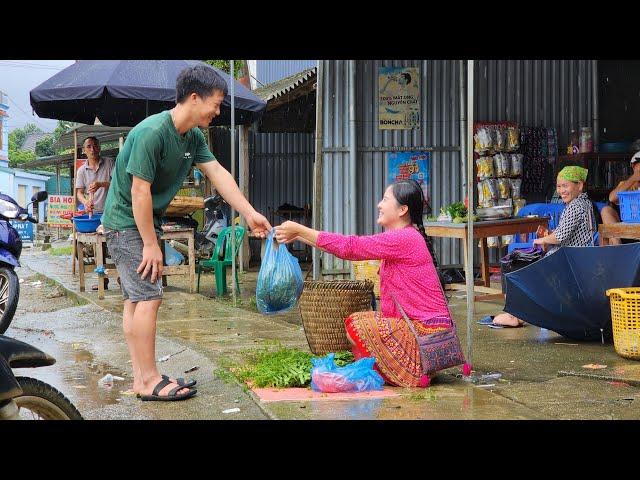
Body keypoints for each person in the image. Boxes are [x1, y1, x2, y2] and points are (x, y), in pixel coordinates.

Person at [101, 65, 271, 401]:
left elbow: (219, 175)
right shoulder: (153, 132)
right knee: (149, 296)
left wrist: (250, 213)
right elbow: (139, 192)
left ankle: (142, 377)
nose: (218, 111)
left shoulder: (192, 137)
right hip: (127, 222)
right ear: (194, 98)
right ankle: (148, 379)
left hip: (141, 220)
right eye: (217, 103)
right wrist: (151, 244)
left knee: (137, 299)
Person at [275, 179, 450, 388]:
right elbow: (347, 247)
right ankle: (388, 368)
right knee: (359, 320)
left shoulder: (404, 238)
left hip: (425, 339)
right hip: (425, 336)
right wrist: (299, 235)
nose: (379, 205)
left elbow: (351, 247)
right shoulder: (405, 237)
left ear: (402, 209)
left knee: (357, 325)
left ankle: (407, 371)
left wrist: (300, 229)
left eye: (385, 199)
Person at [493, 166, 597, 326]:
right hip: (573, 259)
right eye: (559, 186)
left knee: (510, 263)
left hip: (565, 262)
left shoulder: (576, 206)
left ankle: (513, 315)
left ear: (580, 186)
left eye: (565, 185)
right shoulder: (585, 204)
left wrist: (541, 240)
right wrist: (548, 234)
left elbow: (560, 236)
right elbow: (564, 233)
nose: (561, 190)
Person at [75, 136, 115, 290]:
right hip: (94, 213)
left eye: (95, 146)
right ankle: (103, 280)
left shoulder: (109, 163)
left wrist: (101, 184)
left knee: (114, 243)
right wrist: (85, 202)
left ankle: (119, 276)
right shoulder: (81, 171)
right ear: (84, 150)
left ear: (100, 147)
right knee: (99, 248)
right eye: (89, 147)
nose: (93, 149)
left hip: (111, 210)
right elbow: (79, 193)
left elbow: (117, 183)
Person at [600, 151, 640, 245]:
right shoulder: (627, 184)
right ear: (634, 167)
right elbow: (612, 198)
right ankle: (617, 248)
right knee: (606, 210)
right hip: (627, 226)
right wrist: (634, 178)